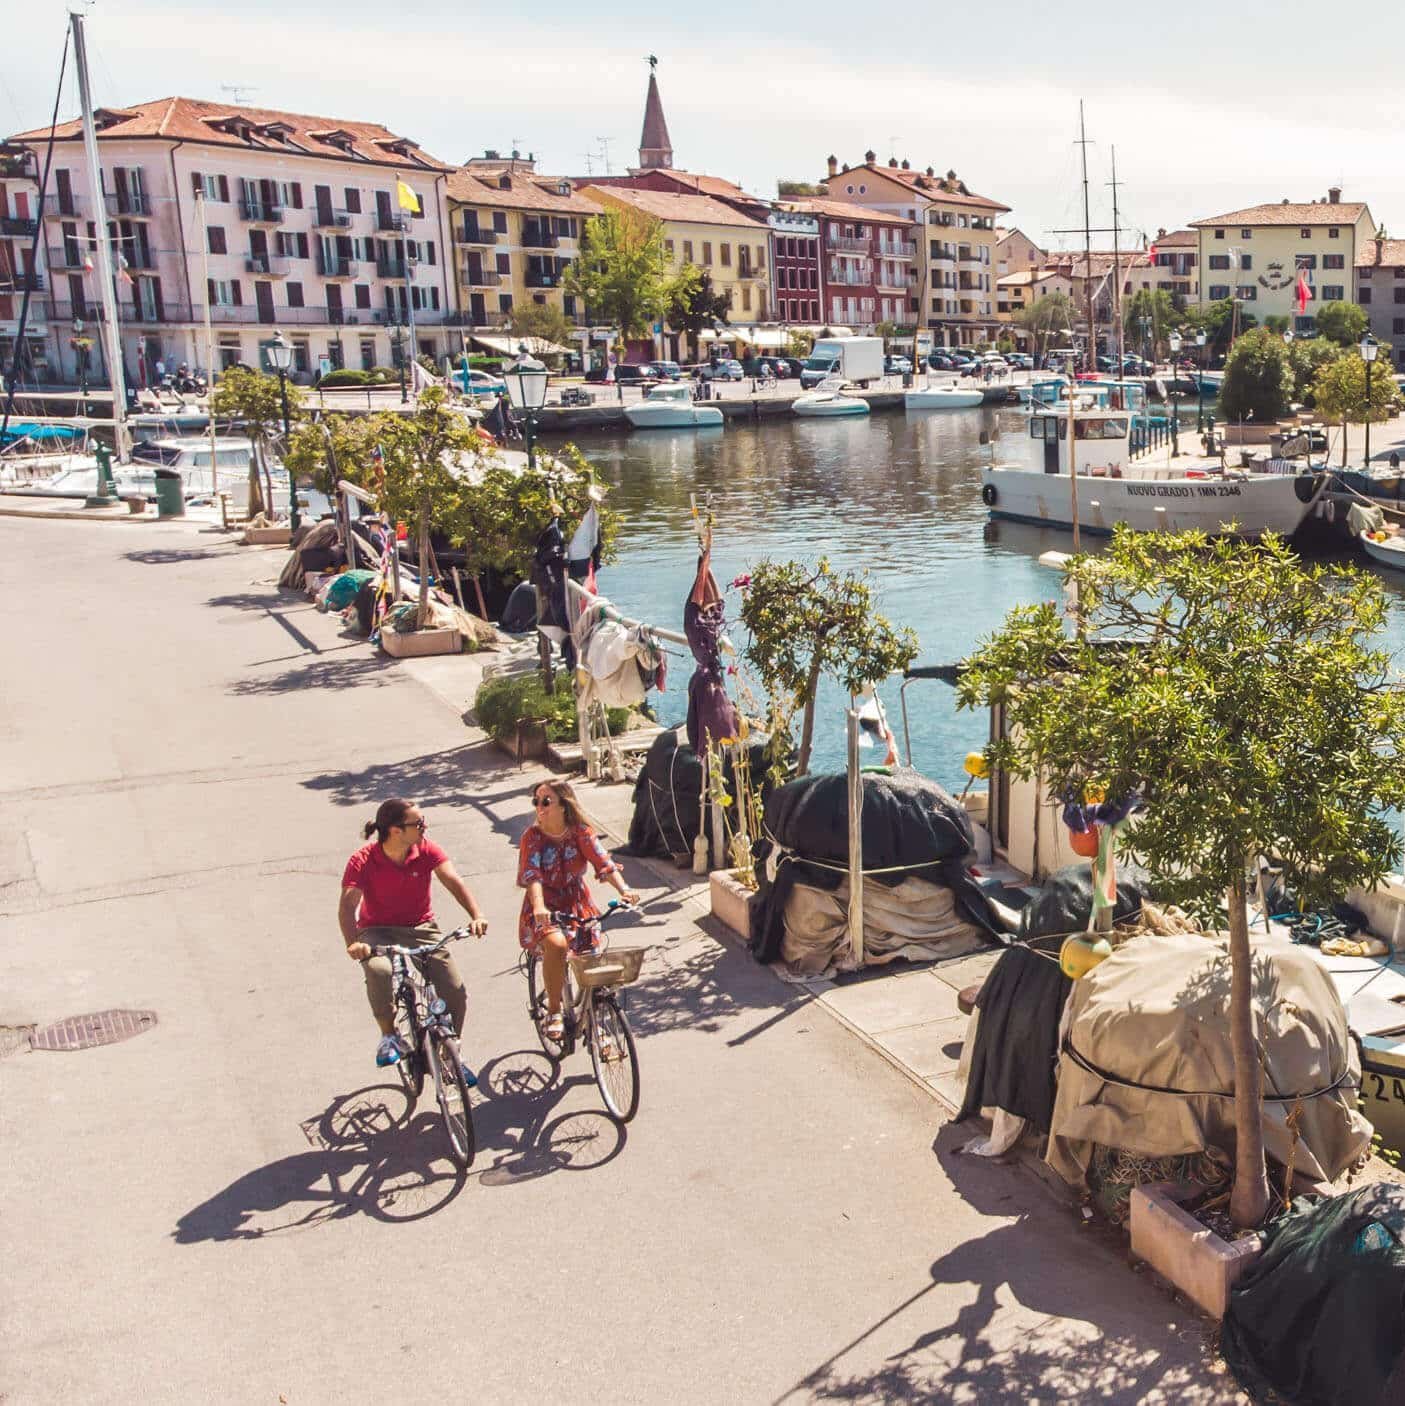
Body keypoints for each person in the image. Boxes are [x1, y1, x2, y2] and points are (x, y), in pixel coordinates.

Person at [340, 798, 487, 1080]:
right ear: (396, 830)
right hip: (377, 929)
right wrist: (353, 942)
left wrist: (476, 914)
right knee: (379, 970)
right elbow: (347, 905)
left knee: (454, 989)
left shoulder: (426, 849)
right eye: (418, 823)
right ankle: (389, 1035)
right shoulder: (363, 859)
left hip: (421, 926)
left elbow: (453, 880)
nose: (424, 827)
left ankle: (449, 1054)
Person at [517, 779, 638, 1040]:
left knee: (593, 962)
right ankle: (553, 1010)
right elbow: (532, 875)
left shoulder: (580, 832)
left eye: (546, 801)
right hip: (544, 906)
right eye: (536, 801)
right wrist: (538, 906)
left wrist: (624, 890)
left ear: (564, 805)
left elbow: (602, 861)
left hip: (577, 902)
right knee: (558, 946)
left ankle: (597, 1027)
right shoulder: (532, 837)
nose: (540, 806)